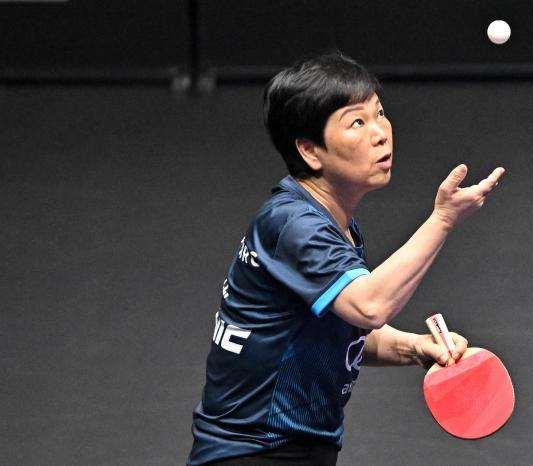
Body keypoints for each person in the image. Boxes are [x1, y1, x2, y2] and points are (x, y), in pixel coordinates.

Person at [187, 51, 505, 466]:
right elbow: (370, 306)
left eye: (380, 114)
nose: (381, 133)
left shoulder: (331, 225)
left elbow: (344, 329)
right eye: (357, 122)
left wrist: (415, 347)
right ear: (310, 150)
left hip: (296, 450)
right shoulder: (293, 225)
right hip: (254, 452)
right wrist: (442, 220)